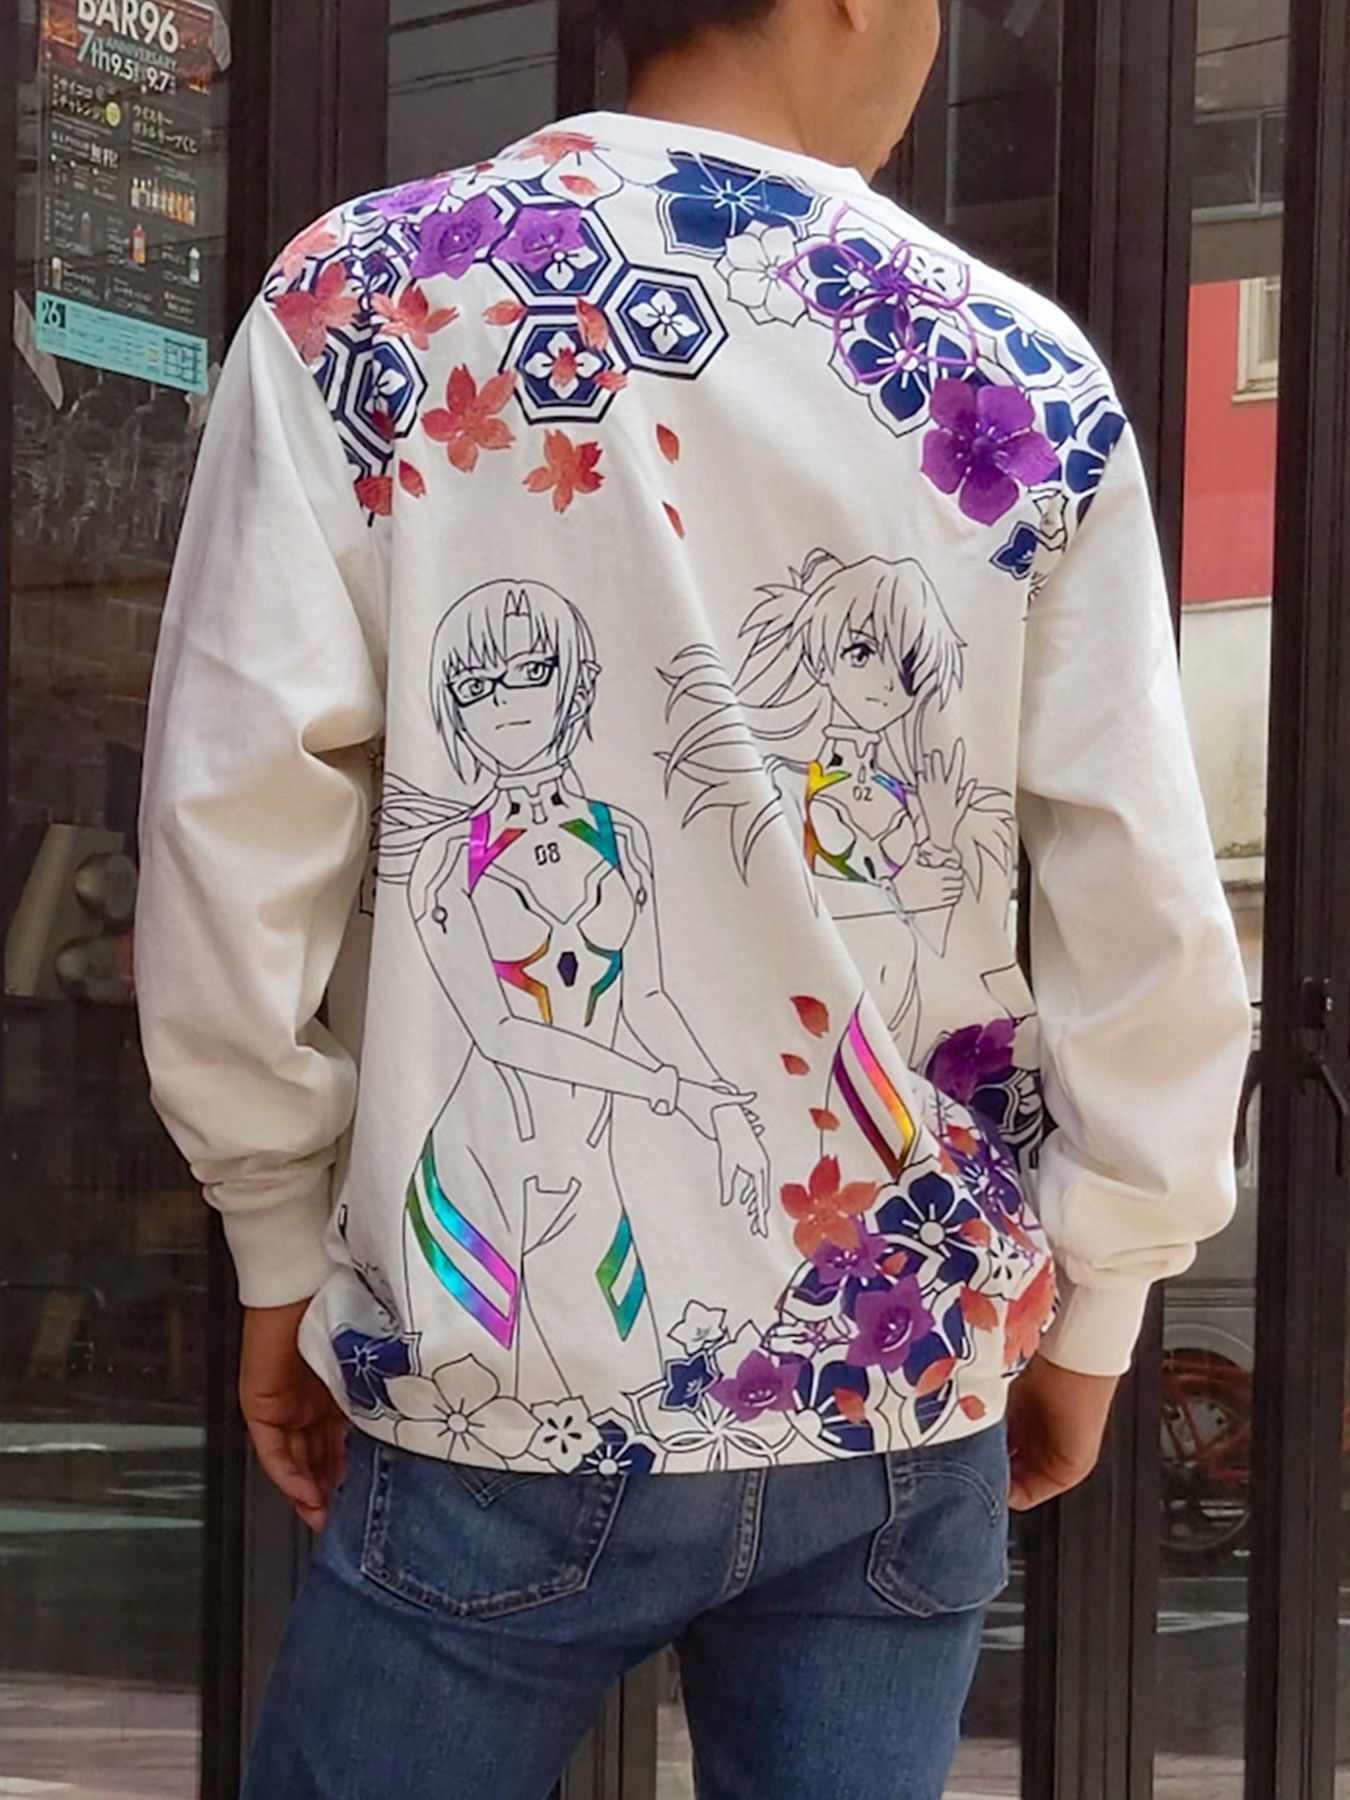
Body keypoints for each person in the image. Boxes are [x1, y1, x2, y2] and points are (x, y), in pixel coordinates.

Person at [134, 1, 1253, 1794]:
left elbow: (232, 820)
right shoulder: (1011, 369)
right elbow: (1138, 903)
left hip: (509, 1361)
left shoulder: (377, 297)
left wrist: (274, 1233)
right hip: (898, 1361)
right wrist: (1102, 1299)